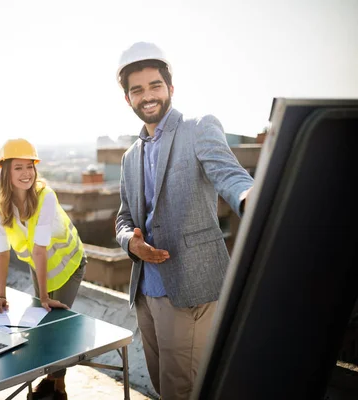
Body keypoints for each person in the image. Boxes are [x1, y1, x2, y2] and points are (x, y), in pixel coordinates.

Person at [114, 42, 254, 400]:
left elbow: (230, 175)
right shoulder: (130, 156)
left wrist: (249, 198)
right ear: (128, 98)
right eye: (137, 90)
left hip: (190, 288)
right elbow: (124, 217)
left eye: (155, 86)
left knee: (184, 390)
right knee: (165, 386)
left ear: (170, 89)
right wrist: (130, 240)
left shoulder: (198, 128)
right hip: (146, 293)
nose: (147, 96)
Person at [0, 138, 87, 400]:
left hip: (70, 264)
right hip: (39, 267)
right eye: (18, 168)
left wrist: (43, 297)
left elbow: (40, 249)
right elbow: (1, 251)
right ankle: (56, 385)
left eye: (29, 167)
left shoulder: (46, 196)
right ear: (5, 172)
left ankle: (56, 386)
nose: (26, 174)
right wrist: (1, 295)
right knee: (45, 324)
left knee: (54, 324)